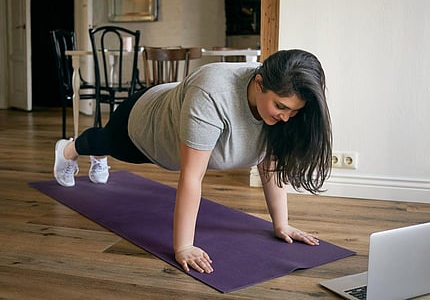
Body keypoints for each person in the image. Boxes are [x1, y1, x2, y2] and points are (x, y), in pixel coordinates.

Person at [53, 49, 332, 274]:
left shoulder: (283, 102)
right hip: (144, 124)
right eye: (281, 107)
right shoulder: (214, 95)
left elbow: (270, 165)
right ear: (259, 85)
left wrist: (281, 225)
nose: (286, 116)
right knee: (104, 142)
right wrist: (183, 246)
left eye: (294, 111)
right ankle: (69, 150)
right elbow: (191, 177)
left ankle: (97, 155)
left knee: (104, 146)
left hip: (179, 102)